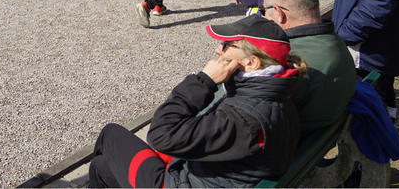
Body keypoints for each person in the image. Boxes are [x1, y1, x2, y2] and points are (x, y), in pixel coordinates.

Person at [88, 15, 302, 188]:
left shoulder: (247, 120)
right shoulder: (278, 94)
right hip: (210, 175)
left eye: (227, 45)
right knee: (101, 166)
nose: (219, 49)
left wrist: (205, 80)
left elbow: (160, 135)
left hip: (178, 182)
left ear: (251, 62)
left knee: (110, 134)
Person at [261, 0, 356, 134]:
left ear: (279, 13)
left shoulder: (288, 62)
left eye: (264, 9)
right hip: (316, 139)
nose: (263, 16)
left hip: (290, 146)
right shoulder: (335, 42)